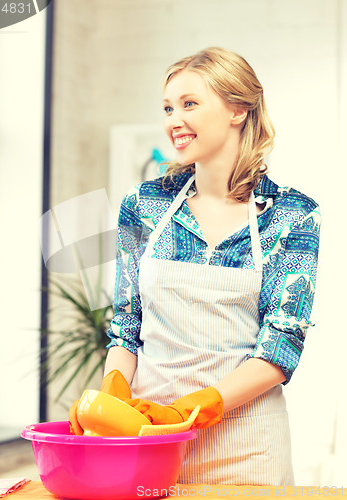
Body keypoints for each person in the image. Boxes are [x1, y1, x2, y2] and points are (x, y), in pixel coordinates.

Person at [70, 47, 321, 486]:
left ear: (238, 110)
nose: (173, 120)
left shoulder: (292, 216)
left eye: (189, 104)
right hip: (148, 440)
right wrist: (114, 386)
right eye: (168, 107)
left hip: (247, 447)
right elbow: (128, 323)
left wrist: (193, 407)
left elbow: (282, 344)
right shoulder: (144, 205)